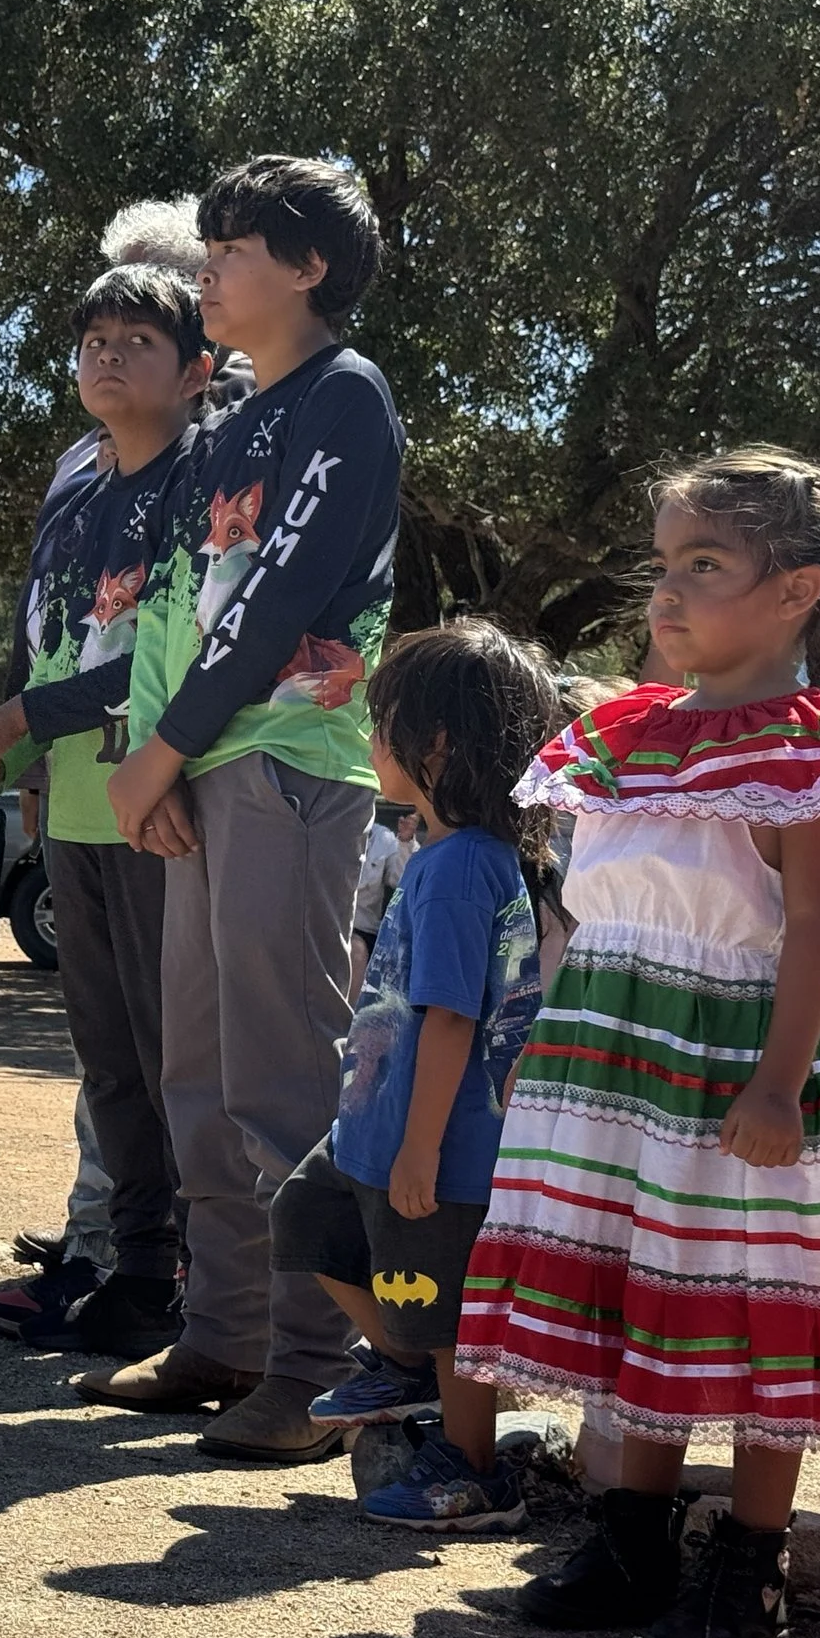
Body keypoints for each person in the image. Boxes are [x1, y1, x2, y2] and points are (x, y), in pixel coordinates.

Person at [455, 452, 820, 1638]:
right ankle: (628, 1541)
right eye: (663, 566)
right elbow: (581, 913)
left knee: (747, 1299)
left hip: (731, 1070)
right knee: (626, 1289)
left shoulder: (813, 748)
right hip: (605, 1063)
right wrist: (545, 1043)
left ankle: (747, 1569)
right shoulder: (617, 735)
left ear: (794, 590)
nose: (667, 592)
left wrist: (775, 1082)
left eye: (703, 566)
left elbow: (813, 926)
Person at [87, 155, 400, 1462]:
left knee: (279, 1073)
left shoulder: (344, 396)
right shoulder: (233, 424)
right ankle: (222, 1330)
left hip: (288, 760)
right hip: (207, 761)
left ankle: (313, 1366)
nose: (205, 269)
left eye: (233, 248)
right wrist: (158, 756)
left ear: (310, 267)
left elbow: (281, 598)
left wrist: (159, 754)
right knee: (197, 1069)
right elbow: (184, 601)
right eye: (204, 246)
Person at [0, 262, 213, 1356]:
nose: (105, 353)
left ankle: (200, 1281)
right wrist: (30, 753)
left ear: (195, 371)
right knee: (109, 1060)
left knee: (172, 1056)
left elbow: (161, 647)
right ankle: (132, 1273)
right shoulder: (79, 491)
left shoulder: (201, 486)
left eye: (135, 339)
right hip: (83, 806)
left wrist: (10, 722)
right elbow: (55, 638)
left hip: (164, 803)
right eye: (93, 336)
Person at [272, 621, 558, 1531]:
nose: (370, 741)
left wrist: (422, 1149)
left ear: (436, 744)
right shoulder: (439, 853)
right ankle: (395, 1358)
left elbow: (452, 1017)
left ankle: (472, 1466)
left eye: (383, 723)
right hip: (381, 1129)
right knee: (306, 1213)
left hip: (436, 1146)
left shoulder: (462, 867)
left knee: (446, 1315)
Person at [348, 807, 414, 1003]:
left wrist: (405, 842)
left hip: (361, 928)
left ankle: (345, 1025)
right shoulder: (326, 828)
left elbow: (400, 881)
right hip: (321, 920)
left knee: (355, 951)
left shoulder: (384, 838)